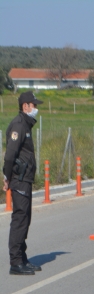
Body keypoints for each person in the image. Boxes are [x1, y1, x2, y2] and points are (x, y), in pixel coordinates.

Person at [3, 91, 43, 276]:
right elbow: (10, 154)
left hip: (24, 179)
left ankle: (22, 257)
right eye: (33, 105)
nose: (35, 108)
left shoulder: (26, 125)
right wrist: (6, 176)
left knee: (25, 219)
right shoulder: (19, 126)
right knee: (20, 219)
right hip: (19, 180)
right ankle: (15, 262)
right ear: (25, 106)